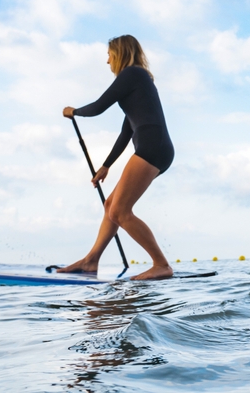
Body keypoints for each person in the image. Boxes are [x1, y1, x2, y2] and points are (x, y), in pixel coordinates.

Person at [59, 35, 175, 281]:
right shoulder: (137, 81)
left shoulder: (132, 74)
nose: (107, 60)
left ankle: (161, 264)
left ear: (120, 53)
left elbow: (100, 106)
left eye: (109, 54)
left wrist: (74, 111)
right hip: (155, 146)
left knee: (121, 211)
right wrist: (106, 166)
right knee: (111, 206)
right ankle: (91, 261)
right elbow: (127, 131)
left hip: (152, 147)